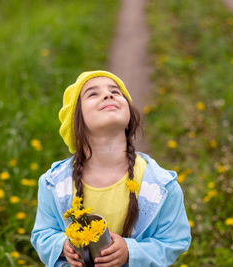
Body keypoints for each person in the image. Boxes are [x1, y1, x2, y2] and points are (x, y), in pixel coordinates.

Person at [31, 70, 191, 267]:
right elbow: (42, 234)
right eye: (92, 94)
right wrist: (63, 246)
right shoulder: (54, 184)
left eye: (116, 91)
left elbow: (174, 241)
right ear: (76, 121)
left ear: (129, 115)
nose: (108, 95)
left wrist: (131, 252)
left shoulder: (161, 186)